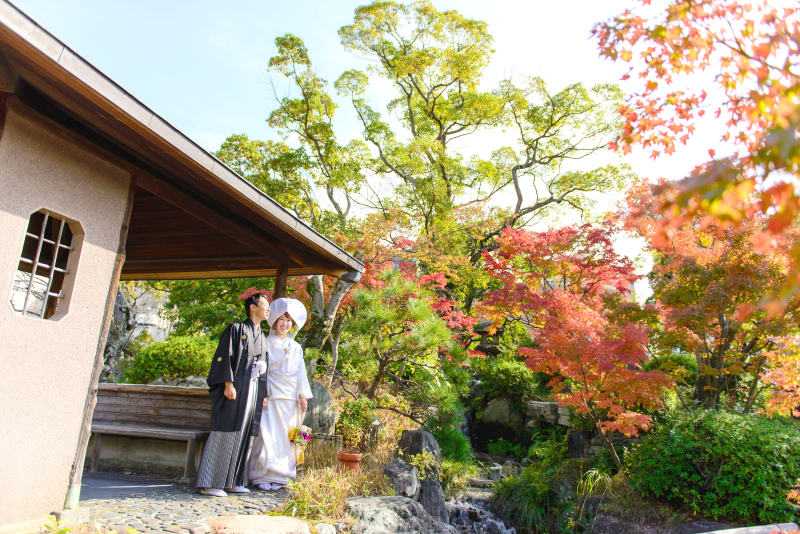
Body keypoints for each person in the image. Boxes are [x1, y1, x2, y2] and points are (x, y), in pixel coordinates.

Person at [196, 288, 270, 497]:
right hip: (235, 388)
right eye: (265, 305)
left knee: (245, 433)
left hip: (252, 389)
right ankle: (212, 482)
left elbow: (265, 367)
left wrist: (263, 394)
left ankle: (234, 481)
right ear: (253, 307)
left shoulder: (262, 336)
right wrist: (228, 383)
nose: (268, 309)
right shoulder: (236, 329)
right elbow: (223, 357)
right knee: (226, 430)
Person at [248, 298, 313, 490]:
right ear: (275, 322)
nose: (285, 324)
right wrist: (262, 394)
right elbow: (262, 371)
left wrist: (302, 395)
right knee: (267, 435)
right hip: (271, 395)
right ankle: (262, 475)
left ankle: (281, 475)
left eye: (289, 320)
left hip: (290, 399)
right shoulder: (266, 343)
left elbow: (301, 372)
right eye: (282, 319)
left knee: (286, 438)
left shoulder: (296, 347)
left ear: (293, 324)